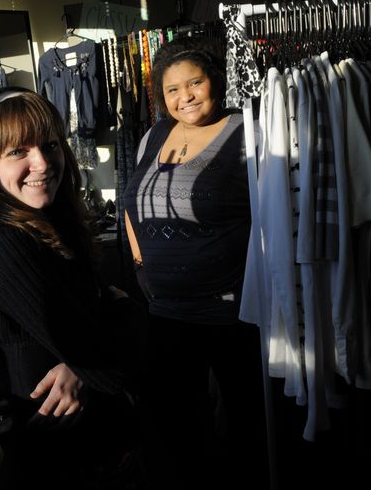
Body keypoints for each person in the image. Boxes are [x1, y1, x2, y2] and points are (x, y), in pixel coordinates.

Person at [0, 87, 146, 489]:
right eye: (17, 152)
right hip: (63, 454)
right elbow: (97, 353)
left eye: (50, 144)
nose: (42, 162)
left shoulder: (42, 222)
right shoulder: (0, 242)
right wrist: (111, 328)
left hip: (92, 442)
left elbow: (91, 341)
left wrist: (86, 355)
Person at [122, 37, 268, 487]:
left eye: (195, 83)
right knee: (173, 429)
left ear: (214, 82)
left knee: (246, 428)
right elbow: (131, 202)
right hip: (165, 311)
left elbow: (270, 216)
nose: (184, 96)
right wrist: (141, 260)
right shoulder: (153, 135)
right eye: (172, 89)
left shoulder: (248, 131)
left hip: (228, 311)